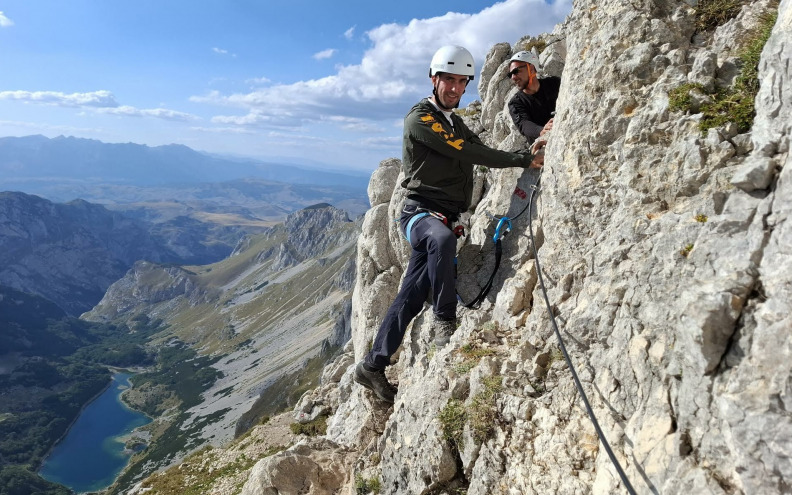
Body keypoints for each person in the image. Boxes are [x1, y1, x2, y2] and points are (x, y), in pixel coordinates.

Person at [353, 45, 544, 403]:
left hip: (444, 215)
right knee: (441, 240)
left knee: (409, 297)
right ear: (433, 78)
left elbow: (480, 146)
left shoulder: (455, 120)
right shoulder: (420, 119)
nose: (455, 89)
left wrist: (530, 143)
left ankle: (372, 366)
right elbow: (466, 151)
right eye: (449, 81)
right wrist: (522, 161)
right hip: (419, 214)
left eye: (462, 82)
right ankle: (444, 318)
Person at [507, 50, 560, 140]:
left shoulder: (555, 83)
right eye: (510, 74)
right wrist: (542, 130)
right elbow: (524, 124)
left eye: (516, 71)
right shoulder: (516, 102)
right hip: (542, 144)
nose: (513, 77)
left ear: (531, 68)